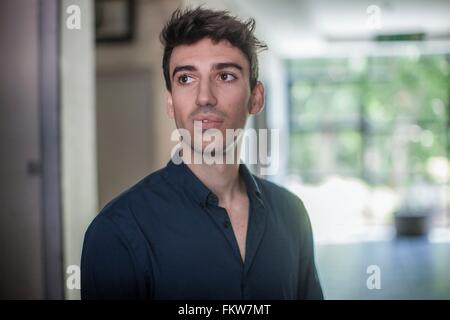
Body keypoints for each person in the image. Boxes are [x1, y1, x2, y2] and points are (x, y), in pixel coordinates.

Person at [81, 7, 323, 300]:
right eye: (186, 78)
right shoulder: (117, 231)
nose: (205, 96)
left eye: (225, 76)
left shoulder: (291, 214)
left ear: (256, 98)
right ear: (170, 102)